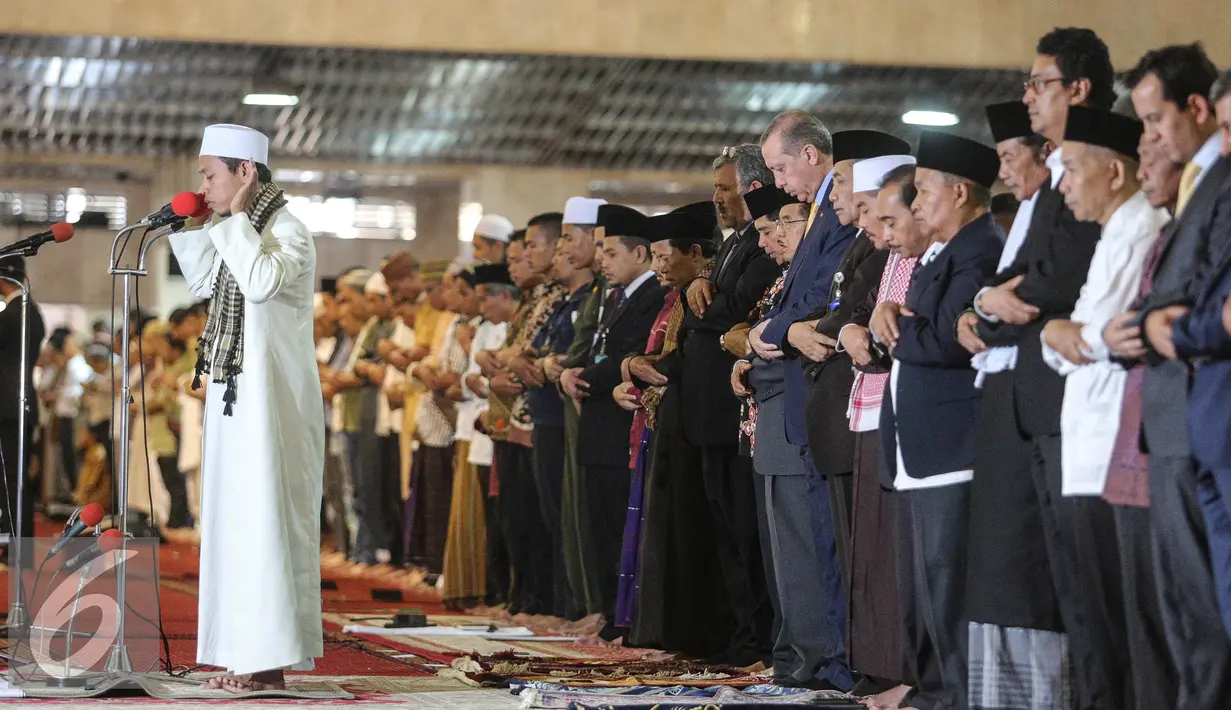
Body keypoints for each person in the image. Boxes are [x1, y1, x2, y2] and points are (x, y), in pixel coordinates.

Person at [971, 28, 1124, 710]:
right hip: (1041, 398)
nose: (1027, 96)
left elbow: (1057, 272)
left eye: (1039, 83)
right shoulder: (1060, 173)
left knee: (1092, 588)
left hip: (1080, 398)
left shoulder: (1094, 163)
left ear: (1079, 89)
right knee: (1066, 576)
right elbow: (1017, 274)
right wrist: (987, 297)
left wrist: (998, 300)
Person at [168, 123, 324, 692]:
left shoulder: (289, 231)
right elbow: (206, 281)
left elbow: (258, 281)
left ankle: (270, 661)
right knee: (234, 524)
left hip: (275, 403)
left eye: (211, 175)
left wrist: (229, 223)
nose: (203, 185)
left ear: (245, 172)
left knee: (268, 524)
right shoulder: (238, 228)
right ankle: (240, 651)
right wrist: (196, 225)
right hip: (236, 398)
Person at [1042, 106, 1176, 708]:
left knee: (1117, 621)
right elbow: (1072, 339)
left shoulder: (1143, 226)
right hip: (1085, 439)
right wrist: (1061, 335)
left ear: (1114, 174)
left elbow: (1111, 333)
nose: (1063, 184)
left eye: (1071, 169)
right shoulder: (1112, 232)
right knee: (1090, 616)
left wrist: (1067, 335)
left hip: (1114, 447)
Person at [1112, 45, 1231, 710]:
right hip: (1172, 415)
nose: (1148, 138)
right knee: (1184, 611)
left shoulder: (1219, 181)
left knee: (1205, 613)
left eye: (1155, 121)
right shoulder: (1194, 183)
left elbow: (1196, 295)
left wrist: (1164, 322)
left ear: (1196, 109)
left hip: (1197, 410)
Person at [870, 129, 1002, 710]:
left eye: (924, 191)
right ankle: (934, 691)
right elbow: (922, 325)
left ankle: (952, 698)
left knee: (949, 587)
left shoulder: (981, 249)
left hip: (954, 442)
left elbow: (950, 337)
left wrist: (893, 325)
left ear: (961, 191)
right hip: (923, 445)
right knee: (929, 585)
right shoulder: (945, 253)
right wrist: (890, 315)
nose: (917, 204)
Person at [960, 100, 1068, 710]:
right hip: (1007, 397)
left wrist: (985, 308)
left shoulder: (1058, 207)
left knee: (1026, 565)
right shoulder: (1031, 208)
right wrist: (980, 310)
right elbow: (999, 300)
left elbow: (1028, 296)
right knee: (999, 564)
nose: (1005, 174)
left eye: (1009, 158)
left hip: (1039, 400)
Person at [680, 146, 780, 666]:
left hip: (736, 410)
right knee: (727, 535)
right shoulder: (732, 246)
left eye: (726, 189)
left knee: (746, 533)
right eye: (717, 189)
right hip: (710, 416)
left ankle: (757, 640)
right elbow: (715, 306)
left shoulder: (766, 245)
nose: (717, 198)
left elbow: (734, 308)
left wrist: (706, 301)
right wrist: (701, 288)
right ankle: (741, 637)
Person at [561, 203, 666, 638]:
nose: (601, 260)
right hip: (599, 429)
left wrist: (579, 373)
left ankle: (626, 619)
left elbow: (626, 353)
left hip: (620, 427)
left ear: (639, 254)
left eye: (610, 252)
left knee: (624, 529)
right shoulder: (616, 295)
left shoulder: (652, 295)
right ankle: (608, 613)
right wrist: (575, 370)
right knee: (600, 527)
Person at [0, 256, 45, 561]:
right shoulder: (30, 311)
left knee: (12, 479)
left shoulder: (16, 313)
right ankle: (16, 545)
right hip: (18, 405)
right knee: (14, 478)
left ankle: (17, 548)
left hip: (8, 407)